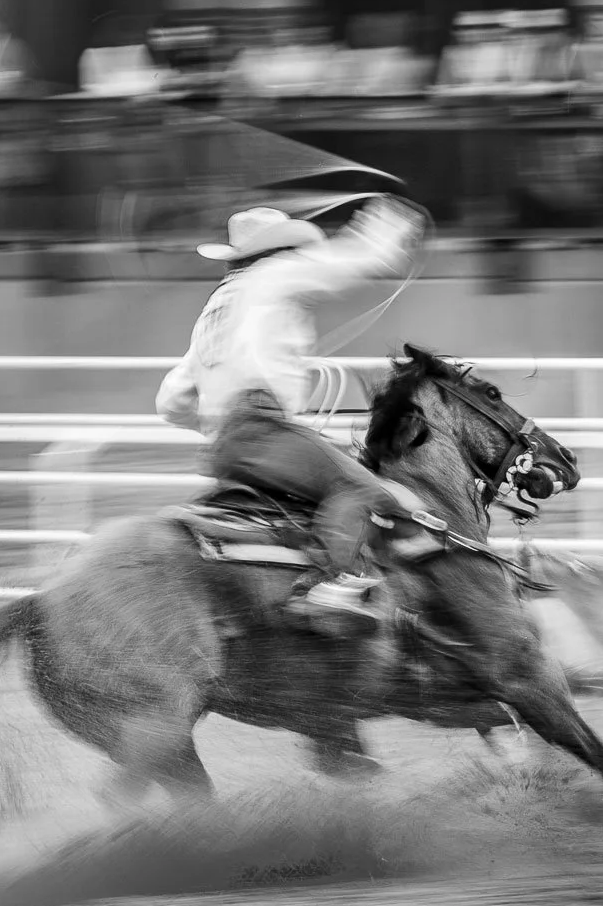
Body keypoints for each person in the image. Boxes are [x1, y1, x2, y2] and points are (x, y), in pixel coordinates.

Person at [156, 196, 428, 630]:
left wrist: (216, 420)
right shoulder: (274, 274)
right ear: (278, 250)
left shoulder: (216, 308)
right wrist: (390, 225)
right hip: (262, 430)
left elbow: (170, 402)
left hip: (228, 444)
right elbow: (348, 263)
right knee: (362, 487)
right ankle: (333, 584)